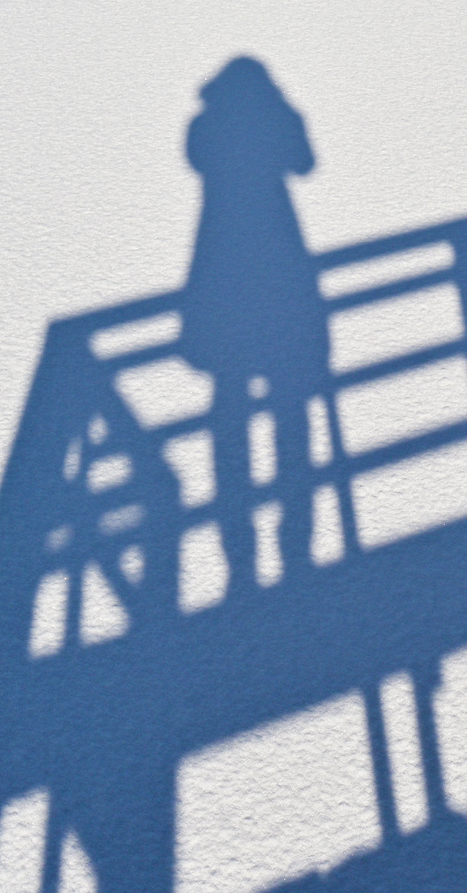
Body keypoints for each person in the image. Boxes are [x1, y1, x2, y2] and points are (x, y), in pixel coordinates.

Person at [181, 57, 330, 575]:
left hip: (222, 278)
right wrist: (281, 112)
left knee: (229, 428)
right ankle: (297, 544)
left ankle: (238, 553)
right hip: (281, 276)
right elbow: (305, 163)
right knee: (292, 419)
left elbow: (198, 159)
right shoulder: (272, 120)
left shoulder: (206, 124)